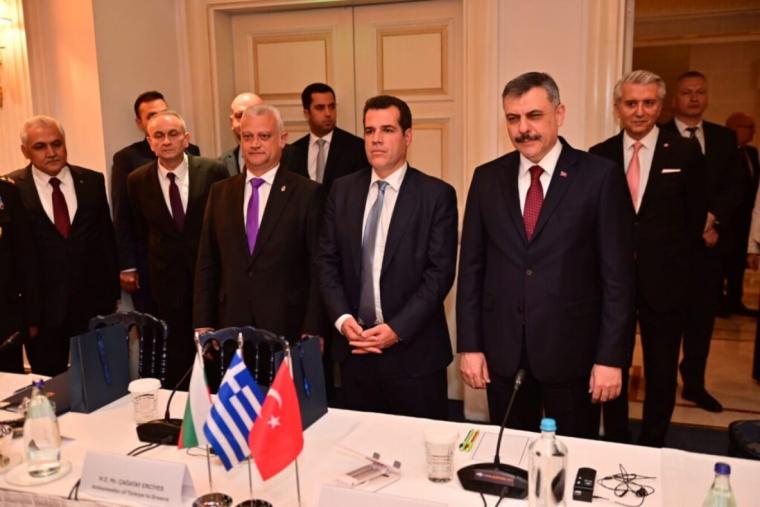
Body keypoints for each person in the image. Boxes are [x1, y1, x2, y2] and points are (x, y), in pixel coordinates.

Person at [457, 72, 635, 438]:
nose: (523, 128)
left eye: (534, 115)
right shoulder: (487, 178)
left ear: (559, 114)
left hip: (573, 355)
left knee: (571, 456)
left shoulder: (600, 177)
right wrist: (470, 346)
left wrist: (610, 358)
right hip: (503, 353)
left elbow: (618, 278)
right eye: (513, 118)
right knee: (509, 454)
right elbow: (471, 268)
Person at [316, 95, 458, 419]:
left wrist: (396, 328)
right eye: (369, 131)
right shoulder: (342, 190)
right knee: (360, 445)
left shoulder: (436, 195)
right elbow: (326, 262)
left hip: (414, 356)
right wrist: (342, 319)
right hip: (356, 351)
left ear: (407, 136)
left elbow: (439, 275)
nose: (376, 139)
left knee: (419, 446)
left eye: (387, 130)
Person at [590, 70, 704, 447]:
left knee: (661, 369)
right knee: (612, 363)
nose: (639, 111)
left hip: (666, 284)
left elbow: (693, 221)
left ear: (660, 106)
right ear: (617, 107)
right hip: (612, 285)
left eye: (648, 103)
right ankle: (617, 438)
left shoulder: (685, 152)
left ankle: (654, 443)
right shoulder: (599, 156)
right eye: (631, 103)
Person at [194, 104, 324, 341]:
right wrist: (203, 322)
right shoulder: (220, 192)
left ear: (282, 139)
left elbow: (318, 266)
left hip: (288, 326)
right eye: (247, 137)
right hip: (231, 326)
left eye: (264, 136)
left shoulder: (307, 193)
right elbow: (207, 261)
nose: (254, 144)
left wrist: (314, 327)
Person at [7, 115, 119, 376]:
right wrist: (24, 315)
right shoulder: (12, 188)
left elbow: (106, 240)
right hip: (42, 312)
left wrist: (111, 295)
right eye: (40, 146)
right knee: (49, 384)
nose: (51, 152)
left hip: (92, 304)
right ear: (25, 151)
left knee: (99, 378)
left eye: (56, 144)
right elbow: (12, 256)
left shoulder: (92, 181)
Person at [126, 111, 229, 387]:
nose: (166, 141)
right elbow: (139, 232)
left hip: (209, 279)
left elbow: (225, 225)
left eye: (173, 134)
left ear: (186, 139)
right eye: (158, 135)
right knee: (176, 357)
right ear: (150, 142)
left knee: (213, 353)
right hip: (165, 283)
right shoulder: (137, 180)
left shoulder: (213, 170)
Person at [661, 71, 743, 412]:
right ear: (674, 99)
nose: (693, 98)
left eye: (699, 92)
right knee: (666, 324)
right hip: (669, 251)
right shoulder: (659, 136)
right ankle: (662, 386)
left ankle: (694, 384)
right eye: (686, 92)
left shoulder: (724, 138)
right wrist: (695, 222)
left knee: (701, 322)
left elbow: (737, 186)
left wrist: (713, 218)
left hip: (710, 248)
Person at [112, 91, 200, 313]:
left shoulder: (197, 157)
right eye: (152, 116)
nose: (166, 140)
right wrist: (128, 264)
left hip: (196, 264)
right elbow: (124, 215)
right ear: (140, 124)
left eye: (165, 112)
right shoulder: (128, 161)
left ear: (185, 138)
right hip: (156, 266)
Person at [281, 82, 368, 194]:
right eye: (320, 108)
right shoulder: (293, 151)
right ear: (306, 113)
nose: (328, 113)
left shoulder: (357, 147)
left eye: (332, 107)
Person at [0, 177, 39, 373]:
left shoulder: (6, 192)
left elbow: (26, 257)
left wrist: (31, 317)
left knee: (9, 381)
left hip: (5, 318)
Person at [725, 112, 759, 316]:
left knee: (739, 263)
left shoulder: (752, 153)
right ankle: (719, 302)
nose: (753, 132)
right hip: (727, 220)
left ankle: (735, 300)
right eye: (749, 127)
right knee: (723, 263)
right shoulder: (724, 152)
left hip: (747, 220)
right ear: (735, 128)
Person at [219, 92, 264, 176]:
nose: (246, 121)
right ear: (231, 122)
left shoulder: (288, 158)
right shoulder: (220, 165)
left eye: (254, 115)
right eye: (240, 116)